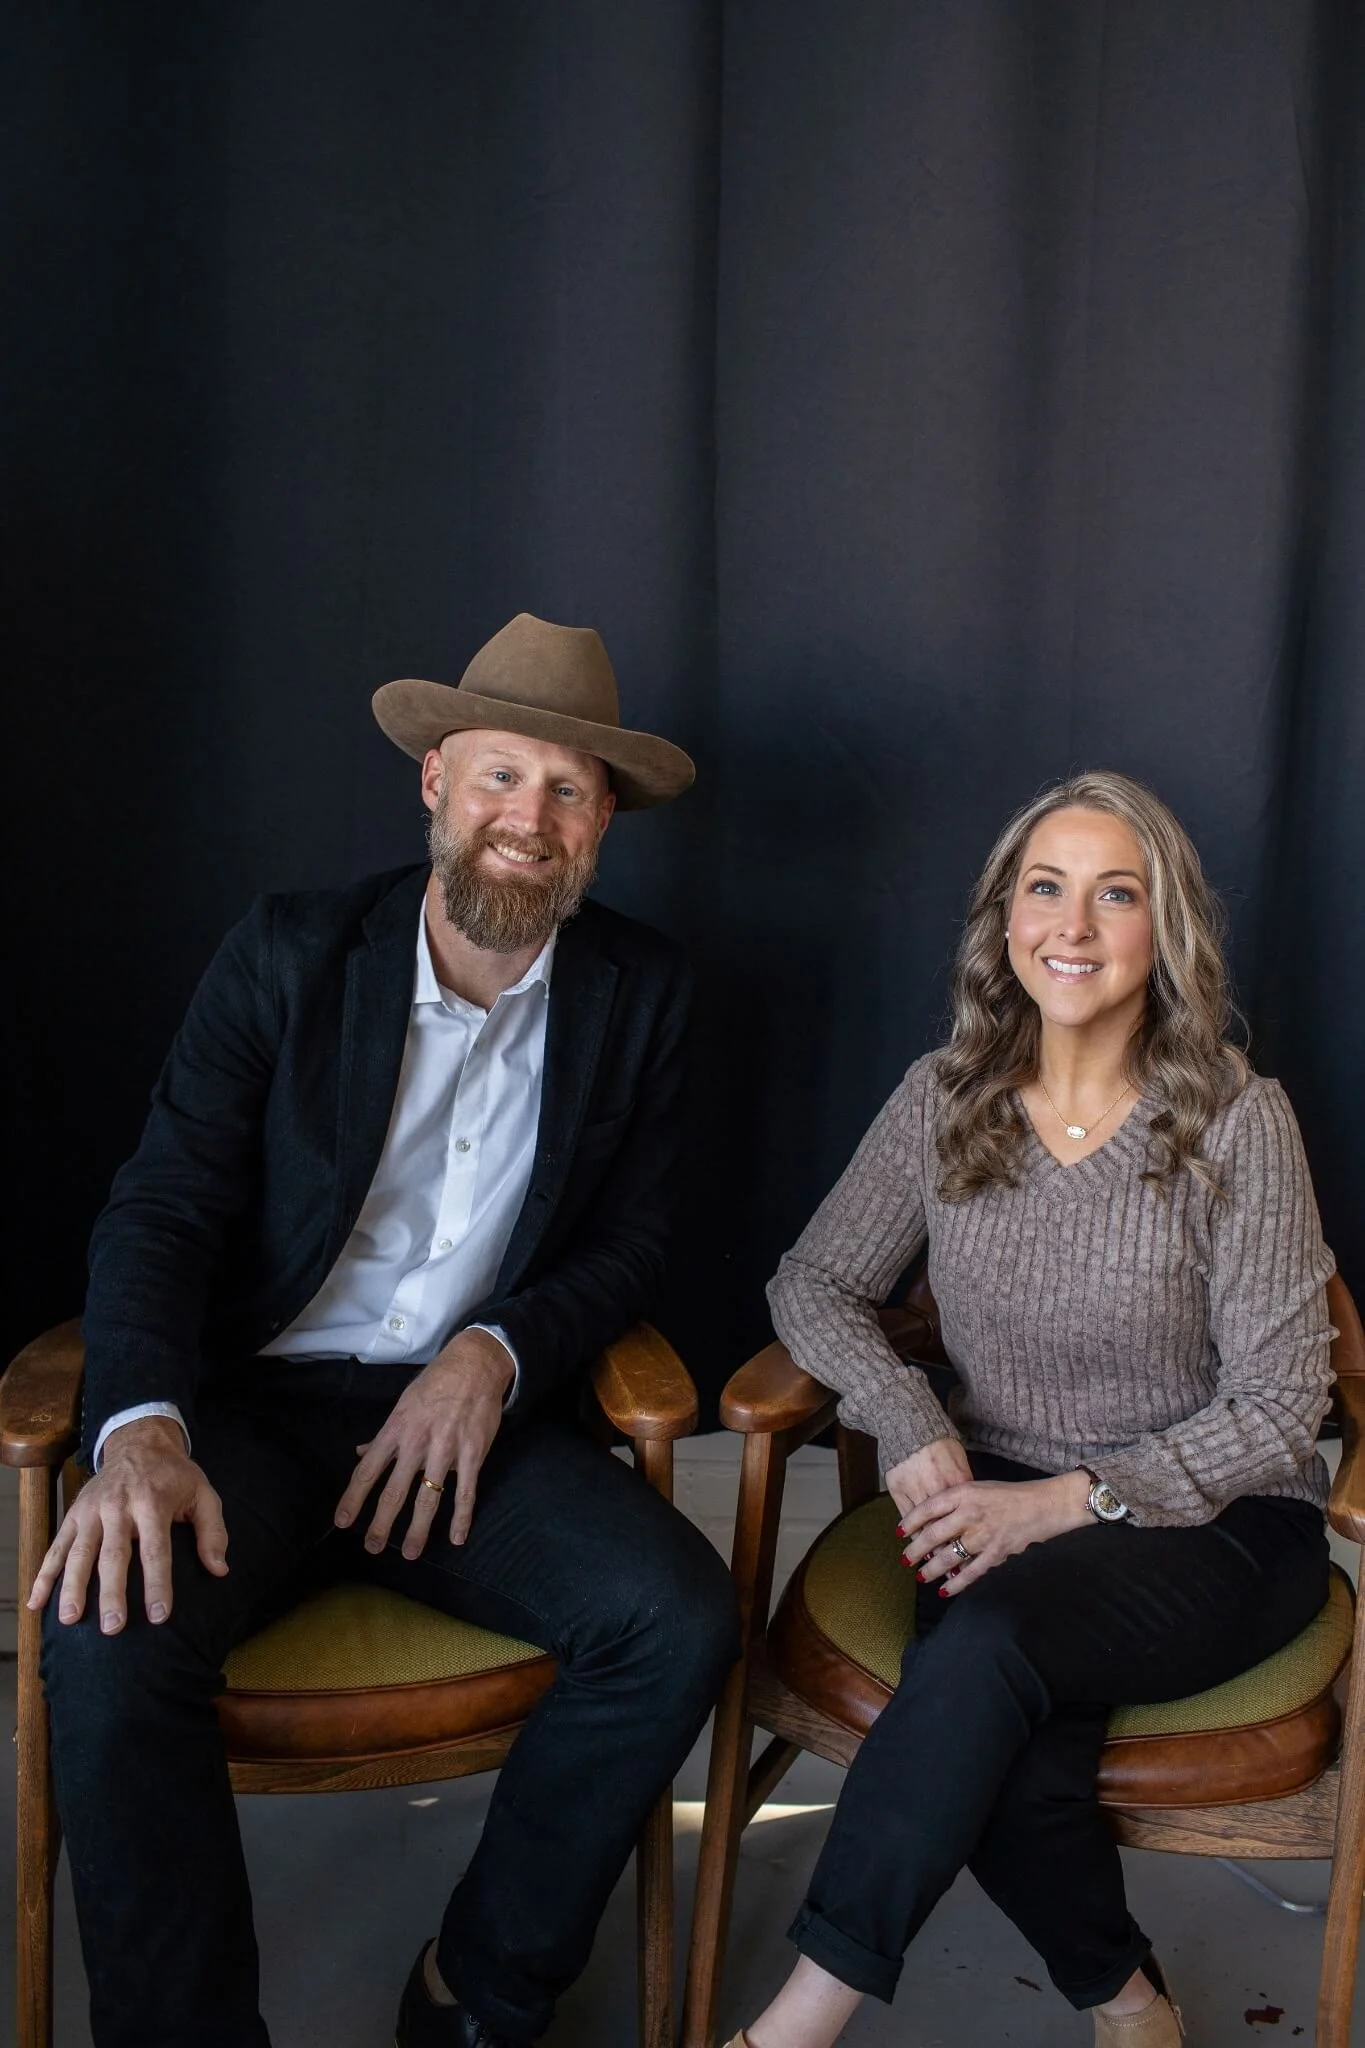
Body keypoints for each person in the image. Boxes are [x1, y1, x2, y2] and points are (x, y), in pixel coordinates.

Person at [29, 612, 739, 2048]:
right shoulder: (293, 953)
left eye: (563, 791)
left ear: (602, 823)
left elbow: (630, 1245)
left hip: (469, 1430)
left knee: (676, 1619)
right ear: (433, 783)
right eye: (497, 779)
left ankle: (477, 1990)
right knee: (103, 1641)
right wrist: (144, 1431)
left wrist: (496, 1352)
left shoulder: (642, 995)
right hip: (254, 1414)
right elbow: (160, 1209)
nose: (524, 821)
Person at [729, 771, 1334, 2048]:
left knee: (981, 1656)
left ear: (1163, 930)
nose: (1073, 923)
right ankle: (1129, 1999)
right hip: (985, 1493)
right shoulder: (945, 1094)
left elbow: (1285, 1409)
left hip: (1217, 1523)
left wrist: (1066, 1499)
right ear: (1003, 921)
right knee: (1006, 1726)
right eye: (1044, 888)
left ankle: (792, 2027)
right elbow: (814, 1280)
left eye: (1116, 894)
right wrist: (909, 1416)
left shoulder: (1235, 1117)